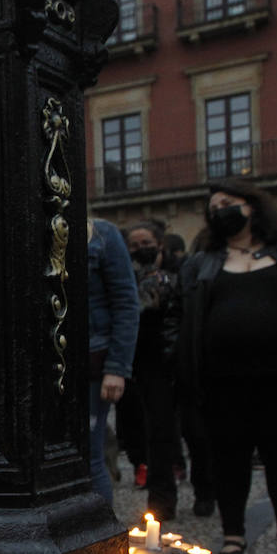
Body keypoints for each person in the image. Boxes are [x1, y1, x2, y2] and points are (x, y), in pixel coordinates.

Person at [176, 179, 277, 554]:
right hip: (221, 384)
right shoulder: (202, 262)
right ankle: (232, 535)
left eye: (228, 202)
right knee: (228, 461)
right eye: (213, 205)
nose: (219, 210)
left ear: (252, 207)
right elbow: (182, 322)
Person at [117, 224, 181, 519]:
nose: (141, 247)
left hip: (158, 362)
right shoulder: (123, 279)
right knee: (132, 425)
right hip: (129, 361)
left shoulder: (170, 280)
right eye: (135, 243)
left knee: (160, 430)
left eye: (146, 242)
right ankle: (142, 469)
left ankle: (162, 498)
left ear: (159, 245)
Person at [86, 217, 140, 508]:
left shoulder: (102, 235)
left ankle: (97, 542)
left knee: (91, 454)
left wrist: (117, 368)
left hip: (92, 362)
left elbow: (125, 303)